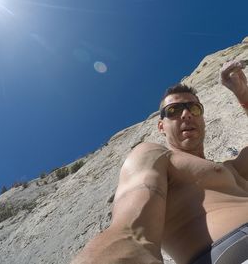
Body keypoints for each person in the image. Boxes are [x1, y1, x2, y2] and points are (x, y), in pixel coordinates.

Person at [71, 59, 248, 264]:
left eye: (194, 108)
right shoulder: (155, 156)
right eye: (173, 110)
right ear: (161, 126)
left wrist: (242, 94)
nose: (186, 114)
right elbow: (131, 233)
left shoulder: (232, 167)